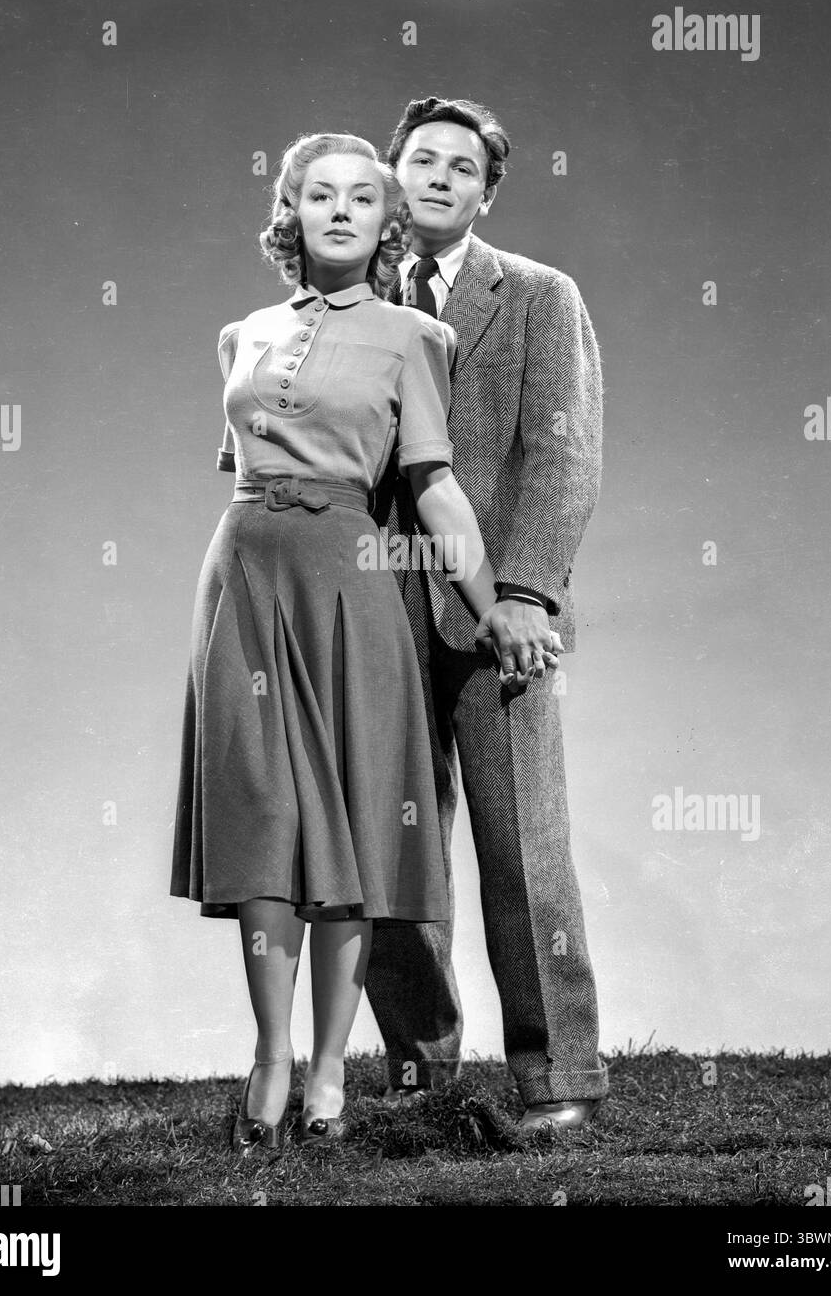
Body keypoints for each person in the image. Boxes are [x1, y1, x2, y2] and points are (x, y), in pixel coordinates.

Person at [169, 132, 548, 1151]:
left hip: (349, 585)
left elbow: (430, 486)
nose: (339, 210)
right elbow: (244, 465)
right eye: (317, 195)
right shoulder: (239, 334)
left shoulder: (412, 337)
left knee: (338, 825)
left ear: (387, 225)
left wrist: (494, 606)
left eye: (360, 198)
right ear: (287, 213)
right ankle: (269, 1056)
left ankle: (331, 1065)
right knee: (259, 820)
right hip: (242, 576)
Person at [365, 97, 609, 1134]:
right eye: (419, 160)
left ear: (485, 190)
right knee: (390, 853)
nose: (436, 178)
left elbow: (563, 459)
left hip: (498, 618)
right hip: (370, 613)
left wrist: (523, 592)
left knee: (524, 851)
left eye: (459, 168)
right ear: (390, 174)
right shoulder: (340, 300)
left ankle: (557, 1083)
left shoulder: (541, 297)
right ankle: (422, 1078)